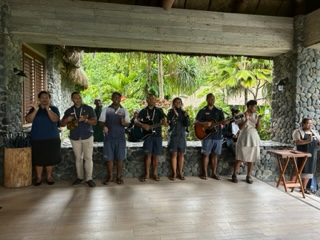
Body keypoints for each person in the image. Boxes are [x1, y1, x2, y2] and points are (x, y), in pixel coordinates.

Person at [60, 92, 97, 187]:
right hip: (75, 137)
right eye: (75, 98)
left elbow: (94, 122)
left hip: (87, 136)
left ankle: (89, 179)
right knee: (78, 158)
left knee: (88, 158)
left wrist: (85, 120)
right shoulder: (69, 110)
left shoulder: (88, 109)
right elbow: (62, 124)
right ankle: (80, 177)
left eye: (79, 97)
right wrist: (66, 120)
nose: (78, 99)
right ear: (72, 99)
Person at [26, 91, 61, 186]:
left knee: (50, 158)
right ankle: (38, 178)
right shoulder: (34, 109)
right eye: (42, 97)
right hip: (37, 138)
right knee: (38, 159)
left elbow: (55, 119)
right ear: (39, 99)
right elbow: (29, 119)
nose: (44, 99)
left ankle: (49, 177)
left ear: (49, 99)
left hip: (51, 138)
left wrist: (47, 109)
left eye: (46, 97)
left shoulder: (54, 109)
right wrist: (36, 110)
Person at [99, 92, 130, 185]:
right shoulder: (106, 109)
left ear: (120, 99)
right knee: (109, 159)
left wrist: (125, 123)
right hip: (109, 138)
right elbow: (101, 122)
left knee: (120, 158)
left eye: (118, 97)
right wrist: (104, 126)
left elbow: (128, 123)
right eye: (114, 97)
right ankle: (110, 177)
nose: (116, 99)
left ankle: (119, 177)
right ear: (112, 98)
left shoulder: (124, 110)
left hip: (120, 138)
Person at [135, 93, 168, 182]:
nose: (151, 100)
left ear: (155, 100)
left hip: (157, 136)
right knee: (148, 155)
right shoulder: (143, 111)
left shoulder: (159, 110)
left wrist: (164, 123)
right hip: (147, 137)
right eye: (149, 99)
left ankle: (154, 173)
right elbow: (136, 121)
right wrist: (143, 125)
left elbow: (163, 121)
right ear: (147, 100)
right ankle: (146, 174)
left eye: (153, 99)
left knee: (155, 156)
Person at [194, 93, 227, 180]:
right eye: (210, 98)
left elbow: (222, 122)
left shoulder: (219, 110)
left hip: (217, 137)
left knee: (215, 155)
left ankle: (214, 173)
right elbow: (195, 122)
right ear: (207, 99)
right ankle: (204, 173)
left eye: (213, 98)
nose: (212, 100)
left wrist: (225, 122)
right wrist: (204, 123)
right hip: (206, 137)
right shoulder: (202, 110)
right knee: (206, 155)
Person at [231, 100, 262, 184]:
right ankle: (234, 174)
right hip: (244, 138)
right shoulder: (240, 115)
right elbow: (240, 127)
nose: (255, 108)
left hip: (253, 139)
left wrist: (258, 119)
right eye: (254, 107)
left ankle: (248, 176)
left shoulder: (255, 115)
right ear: (249, 106)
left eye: (256, 107)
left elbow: (258, 128)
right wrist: (246, 119)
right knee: (240, 157)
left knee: (251, 159)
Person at [291, 118, 320, 194]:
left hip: (312, 155)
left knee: (308, 172)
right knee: (297, 170)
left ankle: (303, 188)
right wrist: (308, 141)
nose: (309, 125)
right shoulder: (298, 132)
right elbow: (297, 142)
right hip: (300, 154)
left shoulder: (314, 132)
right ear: (303, 124)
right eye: (307, 123)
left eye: (311, 124)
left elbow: (318, 142)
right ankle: (290, 187)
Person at [167, 97, 190, 181]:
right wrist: (176, 116)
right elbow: (169, 123)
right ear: (173, 104)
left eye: (179, 102)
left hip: (182, 136)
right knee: (174, 154)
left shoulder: (184, 112)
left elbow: (187, 124)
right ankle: (174, 173)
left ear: (181, 103)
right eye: (176, 102)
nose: (178, 104)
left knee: (181, 154)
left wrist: (186, 117)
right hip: (173, 136)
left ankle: (180, 172)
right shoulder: (170, 112)